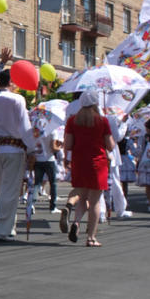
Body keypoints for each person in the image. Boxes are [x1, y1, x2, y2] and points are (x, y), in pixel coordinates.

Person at [0, 49, 35, 242]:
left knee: (2, 190)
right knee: (10, 191)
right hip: (14, 149)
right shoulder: (17, 99)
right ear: (12, 83)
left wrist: (0, 65)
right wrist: (32, 149)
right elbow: (24, 127)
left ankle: (9, 226)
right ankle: (2, 230)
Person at [63, 91, 114, 247]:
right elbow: (110, 145)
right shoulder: (102, 121)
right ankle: (91, 237)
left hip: (79, 162)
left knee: (83, 198)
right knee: (95, 202)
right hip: (98, 163)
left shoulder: (73, 121)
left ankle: (76, 222)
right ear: (95, 103)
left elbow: (68, 145)